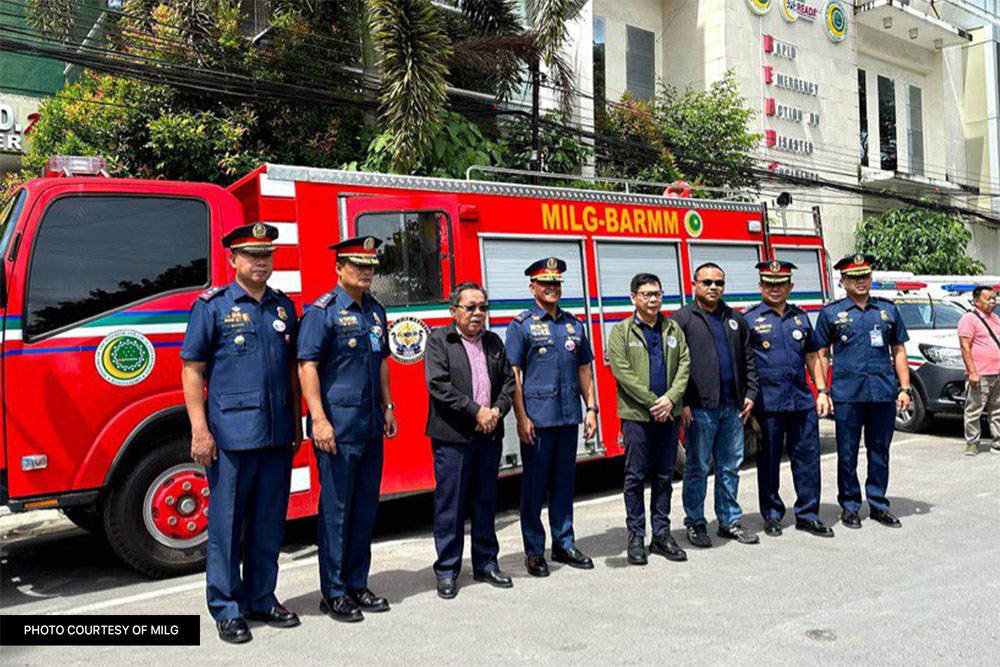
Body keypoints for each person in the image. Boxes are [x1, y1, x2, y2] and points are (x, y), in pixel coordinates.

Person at [180, 222, 301, 644]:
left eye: (266, 255)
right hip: (230, 437)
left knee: (269, 523)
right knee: (227, 528)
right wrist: (200, 430)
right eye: (251, 255)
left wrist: (299, 421)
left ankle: (262, 598)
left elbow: (293, 370)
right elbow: (192, 370)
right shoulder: (211, 307)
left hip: (276, 434)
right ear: (232, 259)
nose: (260, 263)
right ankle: (227, 607)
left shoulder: (284, 307)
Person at [298, 235, 398, 623]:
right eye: (358, 266)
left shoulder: (376, 312)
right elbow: (307, 366)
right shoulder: (321, 313)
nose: (366, 272)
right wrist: (319, 419)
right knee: (336, 513)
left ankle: (358, 583)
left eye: (371, 266)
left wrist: (388, 406)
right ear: (339, 269)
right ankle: (334, 592)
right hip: (337, 429)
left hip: (371, 425)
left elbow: (382, 361)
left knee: (363, 510)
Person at [506, 257, 598, 577]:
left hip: (568, 416)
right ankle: (534, 550)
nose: (552, 289)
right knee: (534, 487)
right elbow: (514, 375)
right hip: (538, 420)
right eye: (545, 284)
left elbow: (585, 368)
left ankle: (564, 542)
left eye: (556, 283)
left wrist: (592, 409)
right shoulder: (521, 325)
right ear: (532, 288)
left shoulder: (574, 324)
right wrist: (521, 417)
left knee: (563, 484)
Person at [424, 283, 516, 599]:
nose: (478, 313)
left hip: (489, 435)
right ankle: (448, 571)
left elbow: (508, 381)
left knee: (485, 502)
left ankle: (486, 564)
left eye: (482, 307)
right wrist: (477, 411)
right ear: (454, 311)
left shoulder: (493, 342)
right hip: (454, 437)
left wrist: (497, 411)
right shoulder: (440, 341)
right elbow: (439, 386)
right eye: (470, 307)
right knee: (451, 506)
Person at [814, 253, 911, 529]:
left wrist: (904, 388)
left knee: (879, 451)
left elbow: (899, 350)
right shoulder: (831, 313)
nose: (861, 282)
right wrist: (823, 391)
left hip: (882, 392)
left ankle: (878, 504)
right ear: (843, 281)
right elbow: (821, 354)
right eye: (854, 277)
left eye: (865, 276)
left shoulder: (888, 310)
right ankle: (850, 506)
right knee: (847, 453)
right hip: (847, 394)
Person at [670, 262, 760, 547]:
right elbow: (673, 367)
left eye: (718, 283)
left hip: (732, 408)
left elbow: (749, 360)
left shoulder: (734, 318)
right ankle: (695, 523)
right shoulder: (681, 319)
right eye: (707, 282)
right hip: (698, 409)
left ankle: (729, 520)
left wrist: (751, 393)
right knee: (696, 468)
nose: (713, 287)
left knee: (730, 466)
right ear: (694, 284)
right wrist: (682, 402)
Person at [743, 261, 834, 539]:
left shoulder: (801, 318)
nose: (774, 289)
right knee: (768, 462)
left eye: (780, 284)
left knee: (807, 460)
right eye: (769, 284)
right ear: (760, 287)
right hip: (768, 404)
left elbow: (812, 357)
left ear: (790, 287)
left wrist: (821, 392)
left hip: (801, 401)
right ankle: (771, 515)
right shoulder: (749, 320)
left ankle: (808, 514)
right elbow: (744, 364)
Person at [607, 273, 691, 565]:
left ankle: (662, 536)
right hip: (636, 417)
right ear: (633, 298)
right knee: (634, 478)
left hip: (669, 415)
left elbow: (684, 365)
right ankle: (635, 538)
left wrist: (670, 399)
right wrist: (653, 401)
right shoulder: (621, 331)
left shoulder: (672, 329)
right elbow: (621, 370)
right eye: (646, 294)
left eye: (657, 293)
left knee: (664, 476)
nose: (653, 299)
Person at [957, 285, 1000, 455]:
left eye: (994, 298)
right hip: (980, 373)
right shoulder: (969, 319)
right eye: (988, 298)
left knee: (997, 410)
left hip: (997, 373)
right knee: (974, 409)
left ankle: (997, 442)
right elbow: (965, 347)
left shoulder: (995, 318)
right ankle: (972, 442)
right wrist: (973, 372)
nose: (993, 302)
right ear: (976, 301)